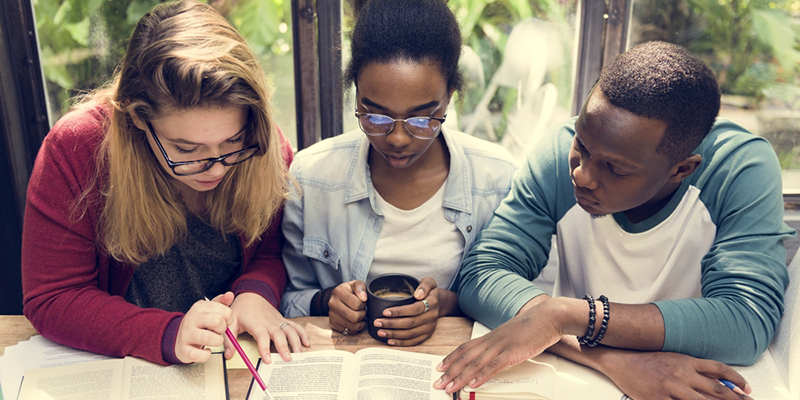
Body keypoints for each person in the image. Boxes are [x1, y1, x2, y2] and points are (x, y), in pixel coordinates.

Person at [434, 41, 795, 399]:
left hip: (688, 380)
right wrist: (611, 360)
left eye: (615, 168)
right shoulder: (561, 154)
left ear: (681, 170)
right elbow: (482, 274)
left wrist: (566, 315)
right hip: (572, 378)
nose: (583, 175)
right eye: (583, 145)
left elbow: (746, 320)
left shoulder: (739, 169)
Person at [21, 0, 309, 366]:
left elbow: (272, 248)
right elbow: (53, 297)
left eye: (231, 143)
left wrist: (255, 292)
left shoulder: (260, 143)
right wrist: (167, 333)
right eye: (186, 149)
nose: (216, 169)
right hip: (124, 367)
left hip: (234, 361)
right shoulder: (77, 150)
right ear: (139, 118)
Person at [280, 0, 518, 346]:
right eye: (376, 117)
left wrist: (449, 304)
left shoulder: (498, 179)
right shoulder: (312, 176)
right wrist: (326, 300)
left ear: (449, 97)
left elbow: (529, 302)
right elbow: (287, 298)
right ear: (357, 95)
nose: (398, 138)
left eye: (423, 119)